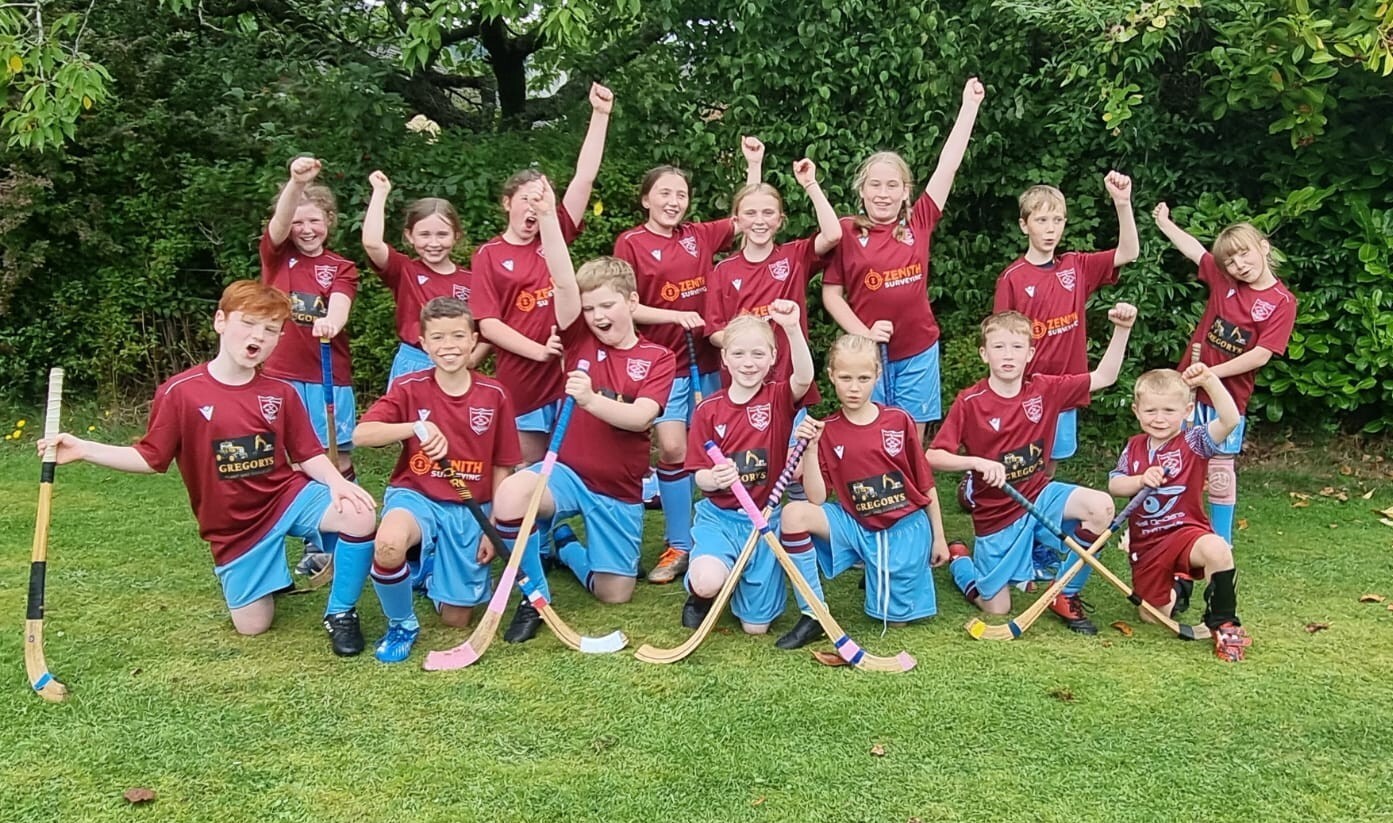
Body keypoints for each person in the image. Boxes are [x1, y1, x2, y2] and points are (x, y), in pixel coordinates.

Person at [36, 281, 377, 655]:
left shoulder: (281, 393)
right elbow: (150, 458)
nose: (257, 337)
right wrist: (84, 448)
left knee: (359, 515)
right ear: (220, 321)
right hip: (235, 527)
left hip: (285, 497)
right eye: (248, 324)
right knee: (253, 627)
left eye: (270, 330)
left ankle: (340, 612)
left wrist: (335, 483)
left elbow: (308, 453)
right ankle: (268, 572)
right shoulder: (180, 392)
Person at [489, 179, 676, 643]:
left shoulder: (657, 357)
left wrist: (592, 399)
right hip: (567, 473)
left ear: (632, 303)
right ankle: (534, 595)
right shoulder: (579, 340)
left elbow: (641, 418)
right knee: (512, 495)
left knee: (615, 593)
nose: (597, 315)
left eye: (607, 305)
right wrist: (550, 217)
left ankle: (566, 546)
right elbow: (562, 281)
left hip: (618, 487)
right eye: (590, 308)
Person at [926, 306, 1136, 635]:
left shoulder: (1044, 389)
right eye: (998, 347)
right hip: (997, 515)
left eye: (1016, 347)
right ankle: (961, 562)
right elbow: (933, 456)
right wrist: (976, 463)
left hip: (1040, 498)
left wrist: (1122, 330)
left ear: (1030, 354)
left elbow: (1104, 377)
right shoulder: (970, 402)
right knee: (995, 607)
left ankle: (1064, 594)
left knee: (1101, 506)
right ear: (984, 354)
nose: (1007, 355)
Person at [612, 136, 765, 585]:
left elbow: (746, 218)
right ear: (646, 199)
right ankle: (680, 542)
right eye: (664, 193)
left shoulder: (698, 235)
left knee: (727, 447)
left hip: (714, 360)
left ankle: (732, 527)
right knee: (676, 449)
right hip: (665, 363)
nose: (674, 202)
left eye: (681, 194)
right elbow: (627, 305)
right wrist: (676, 315)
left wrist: (752, 164)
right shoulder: (632, 243)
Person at [352, 297, 522, 663]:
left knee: (456, 620)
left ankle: (428, 569)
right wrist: (414, 426)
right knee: (389, 545)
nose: (449, 346)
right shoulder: (409, 387)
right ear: (424, 343)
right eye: (439, 338)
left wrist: (491, 527)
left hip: (469, 507)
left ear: (474, 340)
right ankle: (402, 624)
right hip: (417, 495)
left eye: (458, 336)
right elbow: (362, 434)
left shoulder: (494, 394)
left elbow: (503, 466)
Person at [820, 77, 985, 437]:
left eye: (892, 185)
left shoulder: (920, 220)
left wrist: (969, 107)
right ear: (861, 191)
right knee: (870, 437)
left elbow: (948, 166)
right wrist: (864, 333)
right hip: (865, 354)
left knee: (910, 439)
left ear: (905, 191)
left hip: (918, 350)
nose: (883, 194)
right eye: (874, 185)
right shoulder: (846, 231)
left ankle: (915, 494)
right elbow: (831, 295)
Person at [472, 83, 614, 465]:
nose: (535, 208)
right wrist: (539, 351)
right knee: (528, 465)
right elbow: (488, 324)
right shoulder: (489, 254)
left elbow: (584, 179)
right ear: (507, 204)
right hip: (523, 375)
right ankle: (531, 528)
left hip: (569, 368)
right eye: (526, 200)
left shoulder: (556, 231)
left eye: (541, 199)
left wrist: (600, 116)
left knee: (569, 461)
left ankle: (557, 524)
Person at [779, 334, 950, 632]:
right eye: (845, 378)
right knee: (794, 514)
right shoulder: (827, 429)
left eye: (863, 377)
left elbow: (925, 484)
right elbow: (817, 499)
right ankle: (814, 614)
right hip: (857, 525)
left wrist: (940, 537)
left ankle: (958, 565)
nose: (854, 387)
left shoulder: (898, 420)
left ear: (877, 375)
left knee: (895, 622)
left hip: (901, 528)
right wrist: (810, 449)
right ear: (831, 376)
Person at [1152, 204, 1297, 552]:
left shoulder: (1281, 302)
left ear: (1262, 246)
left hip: (1227, 399)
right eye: (1231, 261)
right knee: (1177, 461)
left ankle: (1221, 543)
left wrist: (1211, 375)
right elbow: (1195, 251)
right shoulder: (1224, 280)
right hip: (1186, 392)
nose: (1239, 265)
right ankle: (1176, 532)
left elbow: (1261, 354)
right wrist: (1164, 223)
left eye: (1244, 255)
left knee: (1219, 469)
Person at [683, 307, 825, 649]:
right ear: (725, 359)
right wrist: (714, 479)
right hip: (720, 518)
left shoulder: (777, 397)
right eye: (739, 354)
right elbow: (699, 475)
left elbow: (804, 377)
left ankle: (738, 582)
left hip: (764, 519)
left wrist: (791, 328)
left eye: (758, 353)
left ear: (773, 357)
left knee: (755, 628)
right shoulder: (708, 410)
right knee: (706, 581)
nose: (749, 362)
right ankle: (702, 594)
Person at [993, 172, 1139, 464]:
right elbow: (1000, 340)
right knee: (1022, 462)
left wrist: (1122, 203)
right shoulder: (1012, 278)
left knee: (1050, 464)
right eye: (1041, 220)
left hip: (1065, 387)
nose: (1050, 229)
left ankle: (1043, 507)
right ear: (1024, 225)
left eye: (1057, 220)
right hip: (1026, 390)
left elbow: (1129, 252)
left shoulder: (1076, 266)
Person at [259, 156, 360, 575]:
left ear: (329, 221)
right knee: (292, 462)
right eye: (299, 221)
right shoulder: (278, 257)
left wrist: (332, 322)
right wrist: (296, 183)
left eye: (314, 221)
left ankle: (342, 536)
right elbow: (280, 224)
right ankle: (304, 538)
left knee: (335, 457)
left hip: (327, 378)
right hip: (280, 377)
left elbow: (340, 304)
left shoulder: (341, 267)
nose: (306, 229)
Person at [1110, 364, 1251, 661]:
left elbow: (1230, 419)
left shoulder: (1194, 441)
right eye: (1150, 411)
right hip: (1147, 542)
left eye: (1168, 411)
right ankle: (1180, 584)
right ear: (1136, 411)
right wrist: (1140, 480)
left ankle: (1225, 624)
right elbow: (1115, 484)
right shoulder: (1134, 446)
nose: (1159, 419)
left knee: (1217, 548)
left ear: (1187, 410)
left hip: (1185, 531)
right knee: (1153, 616)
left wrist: (1209, 380)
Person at [705, 158, 843, 409]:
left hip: (789, 382)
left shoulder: (795, 256)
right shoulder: (723, 270)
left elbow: (833, 234)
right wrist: (752, 347)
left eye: (768, 213)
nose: (760, 220)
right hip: (743, 384)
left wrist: (810, 184)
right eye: (750, 213)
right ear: (737, 220)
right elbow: (714, 332)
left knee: (791, 447)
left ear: (780, 220)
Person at [362, 171, 480, 388]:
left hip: (457, 363)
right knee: (407, 422)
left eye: (442, 234)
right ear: (409, 236)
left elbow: (487, 329)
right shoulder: (404, 269)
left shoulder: (472, 279)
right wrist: (380, 193)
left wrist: (473, 357)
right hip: (414, 361)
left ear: (456, 235)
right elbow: (371, 243)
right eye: (425, 234)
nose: (433, 243)